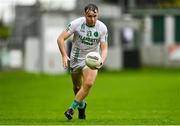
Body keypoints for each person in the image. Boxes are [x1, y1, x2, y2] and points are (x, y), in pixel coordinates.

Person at [57, 3, 108, 120]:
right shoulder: (76, 24)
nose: (93, 19)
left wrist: (101, 61)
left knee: (89, 83)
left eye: (95, 16)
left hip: (91, 60)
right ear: (85, 15)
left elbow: (104, 48)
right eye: (90, 16)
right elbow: (60, 39)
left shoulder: (102, 28)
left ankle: (71, 109)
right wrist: (64, 55)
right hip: (75, 59)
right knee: (77, 87)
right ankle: (82, 106)